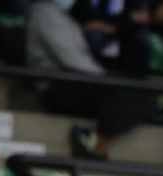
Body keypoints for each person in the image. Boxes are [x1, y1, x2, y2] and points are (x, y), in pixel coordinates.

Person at [27, 0, 155, 159]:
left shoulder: (64, 16)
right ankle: (97, 143)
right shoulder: (46, 14)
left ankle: (97, 139)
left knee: (142, 93)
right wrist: (103, 77)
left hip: (77, 80)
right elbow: (70, 58)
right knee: (126, 90)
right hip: (57, 85)